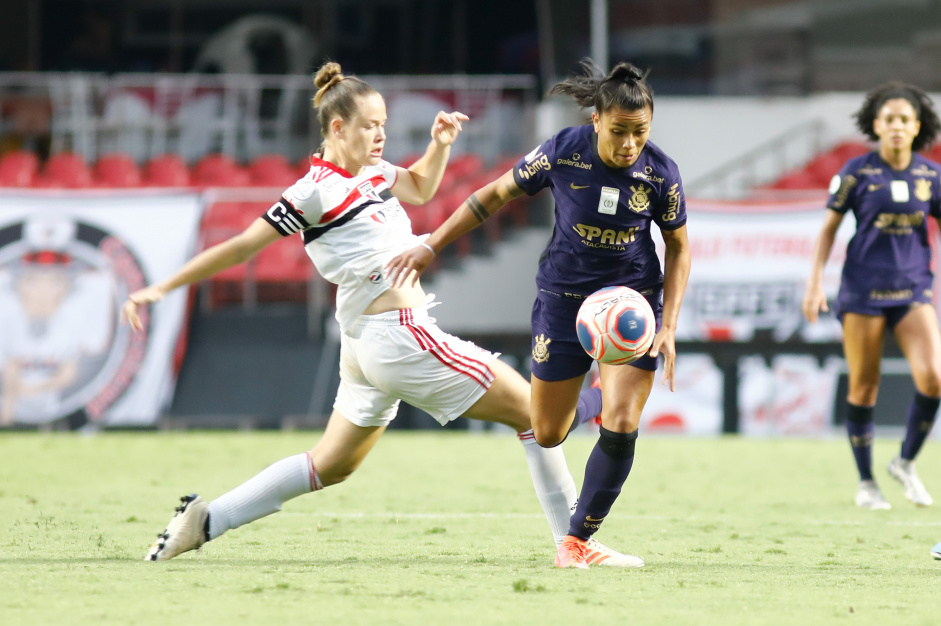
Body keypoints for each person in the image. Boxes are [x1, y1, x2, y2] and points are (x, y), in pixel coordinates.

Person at [126, 61, 632, 566]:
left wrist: (440, 143)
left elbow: (419, 187)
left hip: (365, 346)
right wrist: (161, 288)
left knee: (331, 464)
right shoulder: (314, 191)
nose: (381, 135)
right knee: (535, 416)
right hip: (399, 337)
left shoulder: (369, 171)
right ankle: (576, 538)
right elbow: (239, 248)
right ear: (338, 127)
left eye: (384, 125)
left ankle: (205, 520)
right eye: (370, 125)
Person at [387, 60, 691, 569]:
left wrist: (669, 325)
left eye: (640, 133)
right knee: (548, 430)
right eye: (619, 132)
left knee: (624, 421)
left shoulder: (660, 174)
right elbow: (493, 195)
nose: (629, 145)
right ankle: (591, 401)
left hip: (631, 302)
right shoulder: (563, 152)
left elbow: (679, 247)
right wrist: (431, 245)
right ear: (596, 121)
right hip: (564, 301)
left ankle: (576, 542)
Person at [803, 81, 941, 510]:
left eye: (904, 119)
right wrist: (814, 283)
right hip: (862, 291)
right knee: (864, 387)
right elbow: (828, 230)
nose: (897, 126)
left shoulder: (930, 176)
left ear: (916, 126)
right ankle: (867, 482)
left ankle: (904, 461)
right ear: (876, 126)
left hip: (913, 288)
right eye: (889, 120)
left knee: (934, 377)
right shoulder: (856, 172)